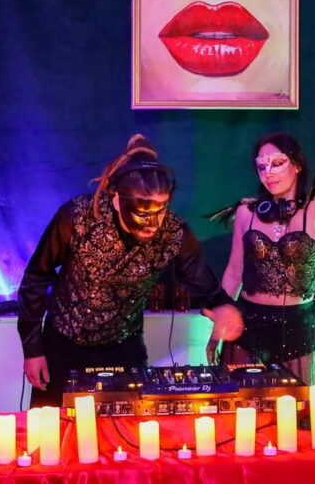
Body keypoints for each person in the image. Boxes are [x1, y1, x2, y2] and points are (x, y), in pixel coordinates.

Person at [17, 135, 244, 406]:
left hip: (124, 349)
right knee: (53, 436)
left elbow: (204, 284)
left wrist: (222, 307)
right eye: (142, 213)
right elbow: (36, 277)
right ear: (116, 200)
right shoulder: (77, 218)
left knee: (127, 437)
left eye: (161, 210)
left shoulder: (174, 232)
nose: (154, 223)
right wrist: (33, 349)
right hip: (63, 345)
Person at [216, 39, 315, 385]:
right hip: (247, 330)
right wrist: (217, 327)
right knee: (245, 424)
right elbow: (233, 273)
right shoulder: (247, 212)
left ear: (296, 165)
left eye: (277, 162)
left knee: (300, 425)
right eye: (261, 166)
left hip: (298, 332)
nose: (269, 171)